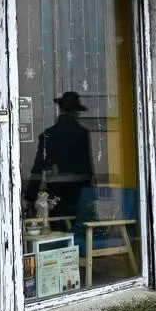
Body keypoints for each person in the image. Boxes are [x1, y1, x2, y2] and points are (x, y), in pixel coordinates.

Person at [25, 91, 95, 222]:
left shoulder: (48, 135)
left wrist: (30, 197)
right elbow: (89, 169)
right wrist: (92, 195)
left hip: (56, 195)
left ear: (60, 110)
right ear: (75, 112)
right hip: (80, 194)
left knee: (58, 228)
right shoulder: (82, 134)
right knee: (81, 228)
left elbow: (38, 169)